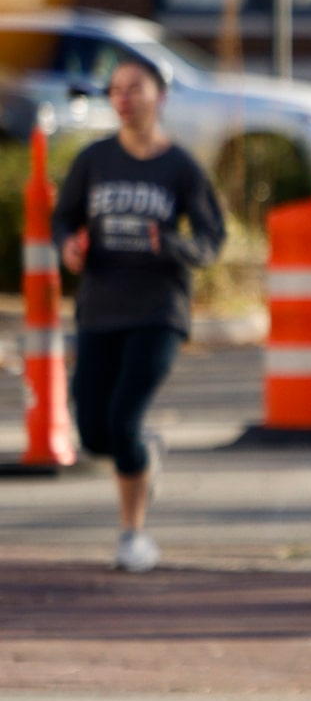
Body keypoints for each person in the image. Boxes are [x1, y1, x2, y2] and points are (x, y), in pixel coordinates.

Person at [52, 54, 226, 571]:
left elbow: (211, 241)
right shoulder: (94, 160)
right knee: (93, 432)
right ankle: (144, 454)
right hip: (100, 307)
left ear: (160, 96)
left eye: (136, 88)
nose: (124, 99)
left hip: (157, 311)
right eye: (116, 90)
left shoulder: (180, 167)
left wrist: (171, 244)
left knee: (123, 421)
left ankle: (134, 535)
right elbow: (63, 219)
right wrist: (68, 247)